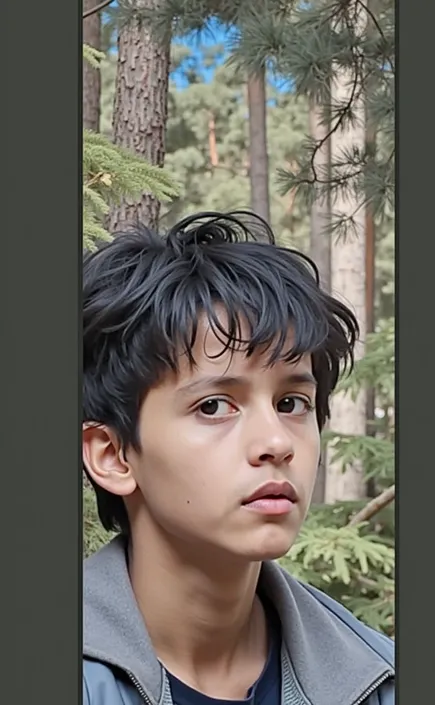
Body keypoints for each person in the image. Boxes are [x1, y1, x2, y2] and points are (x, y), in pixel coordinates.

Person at [83, 211, 394, 705]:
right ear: (113, 455)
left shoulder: (376, 680)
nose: (276, 442)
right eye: (214, 407)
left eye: (292, 404)